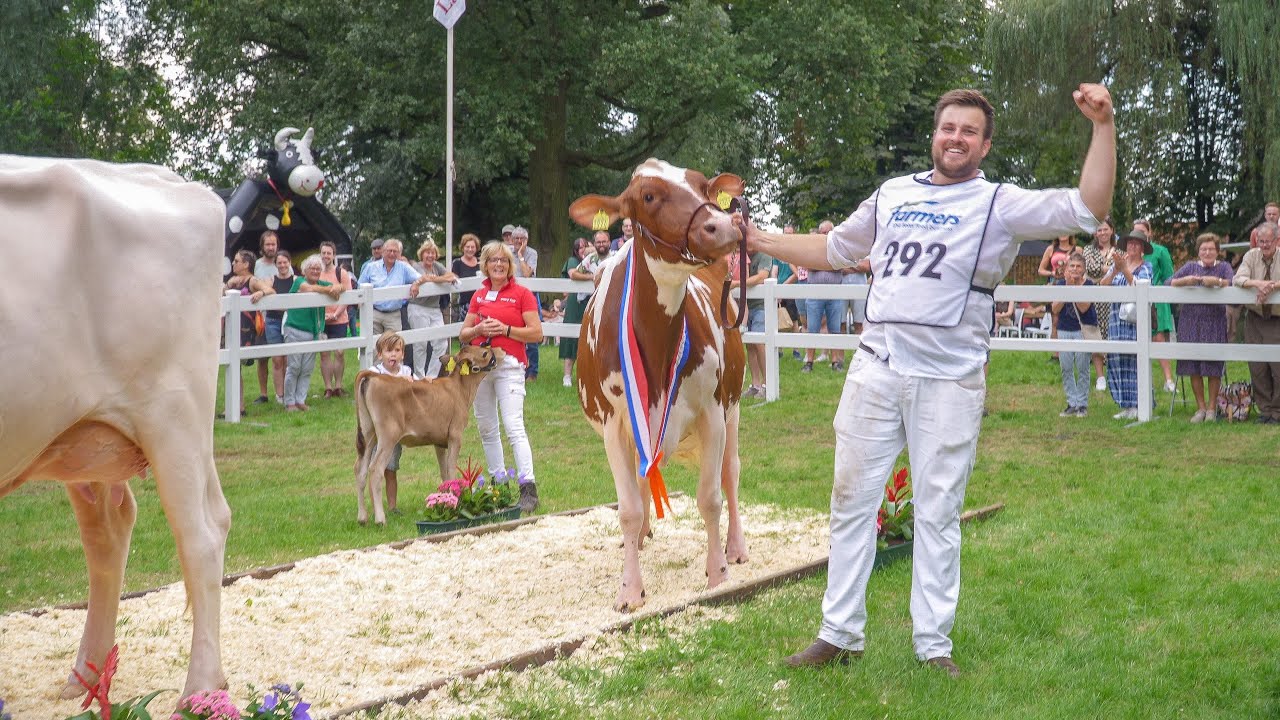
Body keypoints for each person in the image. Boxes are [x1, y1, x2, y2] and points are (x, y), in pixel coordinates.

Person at [742, 84, 1115, 676]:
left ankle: (932, 646)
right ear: (934, 135)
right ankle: (838, 634)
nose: (956, 139)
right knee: (850, 502)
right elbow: (836, 248)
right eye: (949, 128)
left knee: (938, 512)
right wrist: (760, 240)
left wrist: (1102, 126)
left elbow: (1089, 208)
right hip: (876, 366)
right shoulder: (892, 192)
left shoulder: (1000, 202)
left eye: (969, 131)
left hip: (949, 377)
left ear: (985, 145)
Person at [459, 241, 544, 512]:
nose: (499, 264)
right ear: (485, 265)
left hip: (509, 366)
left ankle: (528, 487)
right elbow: (463, 333)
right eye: (494, 260)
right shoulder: (479, 295)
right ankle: (498, 487)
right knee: (486, 427)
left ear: (510, 266)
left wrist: (506, 330)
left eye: (504, 261)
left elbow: (536, 333)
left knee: (513, 425)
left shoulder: (522, 294)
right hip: (481, 369)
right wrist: (478, 329)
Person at [1169, 233, 1235, 422]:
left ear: (1217, 251)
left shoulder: (1224, 267)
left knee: (1213, 364)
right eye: (1204, 249)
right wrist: (1186, 281)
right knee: (1193, 364)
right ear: (1198, 251)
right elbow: (1169, 282)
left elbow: (1232, 283)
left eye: (1211, 249)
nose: (1207, 252)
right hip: (1191, 321)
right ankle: (1201, 408)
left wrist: (1218, 282)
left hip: (1214, 321)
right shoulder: (1190, 267)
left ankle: (1212, 409)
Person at [1101, 228, 1154, 420]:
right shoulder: (1118, 264)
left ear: (1142, 248)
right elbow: (1103, 286)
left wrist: (1125, 270)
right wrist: (1116, 269)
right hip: (1116, 319)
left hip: (1135, 322)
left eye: (1136, 244)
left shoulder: (1146, 266)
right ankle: (1125, 405)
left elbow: (1142, 287)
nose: (1132, 246)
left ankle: (1140, 404)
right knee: (1117, 360)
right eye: (1130, 243)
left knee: (1135, 360)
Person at [281, 255, 343, 411]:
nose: (315, 271)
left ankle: (300, 400)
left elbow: (341, 287)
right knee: (294, 367)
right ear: (305, 270)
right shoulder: (299, 282)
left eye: (318, 269)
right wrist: (329, 289)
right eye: (312, 268)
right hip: (295, 330)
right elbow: (308, 289)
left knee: (307, 368)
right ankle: (289, 402)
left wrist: (336, 288)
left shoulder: (323, 284)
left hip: (313, 333)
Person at [1233, 221, 1280, 423]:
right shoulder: (1251, 256)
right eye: (1261, 241)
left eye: (1268, 241)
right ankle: (1265, 410)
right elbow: (1239, 278)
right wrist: (1258, 283)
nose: (1264, 245)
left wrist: (1273, 286)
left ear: (1276, 240)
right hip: (1255, 318)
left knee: (1278, 368)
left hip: (1277, 319)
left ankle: (1277, 411)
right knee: (1257, 367)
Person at [369, 330, 414, 513]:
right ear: (380, 355)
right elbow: (378, 385)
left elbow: (415, 388)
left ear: (403, 354)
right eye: (388, 351)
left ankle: (393, 506)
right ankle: (376, 506)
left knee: (391, 469)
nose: (393, 354)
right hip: (378, 429)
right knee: (376, 467)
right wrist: (398, 381)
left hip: (397, 428)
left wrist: (418, 381)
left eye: (397, 350)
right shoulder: (375, 372)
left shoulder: (406, 371)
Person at [224, 250, 276, 409]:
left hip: (246, 329)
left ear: (246, 264)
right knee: (233, 366)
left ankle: (238, 406)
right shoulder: (233, 281)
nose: (233, 263)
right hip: (230, 327)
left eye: (237, 261)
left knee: (238, 362)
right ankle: (238, 406)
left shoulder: (252, 280)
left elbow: (271, 291)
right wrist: (227, 285)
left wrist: (260, 292)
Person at [1050, 252, 1096, 416]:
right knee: (1066, 368)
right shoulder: (1061, 284)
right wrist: (1068, 287)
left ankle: (1082, 404)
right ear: (1067, 268)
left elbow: (1084, 307)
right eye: (1072, 266)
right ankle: (1071, 402)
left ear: (1084, 270)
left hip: (1082, 330)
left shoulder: (1089, 285)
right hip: (1064, 329)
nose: (1075, 269)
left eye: (1078, 267)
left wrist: (1075, 287)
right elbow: (1055, 308)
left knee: (1083, 368)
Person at [1134, 219, 1176, 392]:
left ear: (1149, 233)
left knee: (1158, 338)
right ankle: (1142, 382)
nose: (1140, 234)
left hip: (1156, 300)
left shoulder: (1160, 251)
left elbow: (1169, 277)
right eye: (1136, 231)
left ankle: (1168, 379)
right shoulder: (1130, 251)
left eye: (1143, 231)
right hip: (1134, 300)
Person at [407, 240, 457, 379]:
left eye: (433, 253)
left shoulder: (437, 266)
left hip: (434, 309)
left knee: (441, 343)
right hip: (418, 308)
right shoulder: (417, 266)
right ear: (422, 254)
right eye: (427, 252)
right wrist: (437, 279)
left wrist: (435, 279)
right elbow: (424, 278)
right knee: (420, 344)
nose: (430, 255)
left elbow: (451, 276)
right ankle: (419, 377)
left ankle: (431, 377)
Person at [802, 220, 847, 373]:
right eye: (823, 232)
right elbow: (807, 265)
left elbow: (842, 265)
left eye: (829, 232)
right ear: (819, 233)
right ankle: (809, 362)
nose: (826, 235)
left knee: (834, 328)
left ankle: (835, 362)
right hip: (815, 292)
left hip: (835, 292)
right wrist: (831, 264)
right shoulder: (811, 248)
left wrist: (822, 264)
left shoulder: (839, 248)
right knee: (812, 327)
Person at [356, 238, 426, 335]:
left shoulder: (403, 267)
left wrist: (416, 283)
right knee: (373, 347)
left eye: (395, 251)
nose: (392, 254)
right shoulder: (371, 267)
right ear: (383, 252)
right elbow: (360, 286)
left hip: (394, 315)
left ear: (399, 253)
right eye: (389, 251)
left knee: (392, 346)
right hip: (374, 313)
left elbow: (421, 277)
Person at [1082, 217, 1118, 388]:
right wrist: (1111, 268)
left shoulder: (1120, 249)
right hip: (1094, 298)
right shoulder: (1088, 249)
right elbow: (1090, 268)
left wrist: (1110, 269)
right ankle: (1100, 377)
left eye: (1105, 229)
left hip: (1114, 299)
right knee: (1095, 333)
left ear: (1111, 230)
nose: (1102, 233)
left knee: (1112, 334)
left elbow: (1122, 269)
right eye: (1099, 230)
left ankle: (1114, 374)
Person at [733, 244, 774, 398]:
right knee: (750, 346)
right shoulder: (738, 254)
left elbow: (762, 276)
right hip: (744, 306)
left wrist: (737, 284)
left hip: (761, 306)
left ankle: (767, 383)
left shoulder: (764, 254)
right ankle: (755, 384)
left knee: (760, 343)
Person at [561, 234, 601, 387]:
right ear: (576, 250)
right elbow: (572, 274)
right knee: (572, 338)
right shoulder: (574, 261)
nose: (584, 250)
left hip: (593, 302)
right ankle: (567, 376)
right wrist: (592, 277)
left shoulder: (596, 260)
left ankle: (589, 375)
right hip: (576, 304)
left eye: (586, 246)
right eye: (581, 247)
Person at [318, 240, 354, 398]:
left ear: (333, 255)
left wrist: (336, 314)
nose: (326, 256)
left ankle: (338, 386)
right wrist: (323, 315)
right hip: (321, 320)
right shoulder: (316, 272)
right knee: (324, 354)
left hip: (339, 319)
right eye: (323, 253)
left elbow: (348, 297)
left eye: (329, 253)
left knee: (339, 353)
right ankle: (328, 387)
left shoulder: (341, 273)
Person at [451, 233, 482, 322]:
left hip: (481, 303)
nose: (470, 249)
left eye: (473, 247)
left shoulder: (481, 262)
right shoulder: (457, 263)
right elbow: (454, 281)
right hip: (466, 304)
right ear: (463, 247)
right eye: (467, 247)